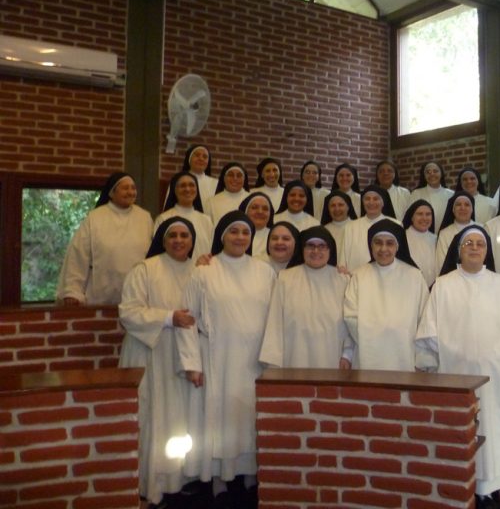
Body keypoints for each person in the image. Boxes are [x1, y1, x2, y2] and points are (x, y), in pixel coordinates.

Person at [417, 226, 500, 504]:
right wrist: (454, 354)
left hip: (494, 374)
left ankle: (489, 489)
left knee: (491, 430)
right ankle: (461, 485)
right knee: (460, 431)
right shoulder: (443, 284)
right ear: (458, 249)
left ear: (487, 251)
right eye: (467, 242)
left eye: (479, 243)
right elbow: (429, 331)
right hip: (455, 374)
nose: (473, 247)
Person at [176, 211, 275, 507]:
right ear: (222, 235)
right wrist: (191, 362)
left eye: (245, 232)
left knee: (249, 417)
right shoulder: (204, 270)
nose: (240, 237)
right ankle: (218, 479)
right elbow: (188, 318)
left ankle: (249, 477)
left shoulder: (264, 270)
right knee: (218, 419)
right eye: (233, 231)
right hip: (215, 356)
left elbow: (274, 317)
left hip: (254, 359)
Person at [118, 216, 197, 506]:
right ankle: (150, 483)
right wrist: (168, 317)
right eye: (172, 235)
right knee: (153, 416)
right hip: (149, 353)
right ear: (162, 241)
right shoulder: (145, 269)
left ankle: (181, 478)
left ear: (192, 240)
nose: (178, 240)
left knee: (181, 417)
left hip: (184, 355)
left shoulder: (199, 270)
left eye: (184, 235)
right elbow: (128, 312)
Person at [341, 219, 429, 371]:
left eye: (389, 243)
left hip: (404, 354)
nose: (383, 248)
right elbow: (350, 316)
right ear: (371, 246)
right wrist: (379, 335)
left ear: (397, 247)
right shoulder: (359, 276)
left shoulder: (414, 276)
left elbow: (425, 318)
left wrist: (422, 358)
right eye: (378, 243)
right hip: (367, 354)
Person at [260, 226, 350, 369]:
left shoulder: (342, 280)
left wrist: (347, 354)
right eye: (310, 246)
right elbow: (275, 323)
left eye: (322, 246)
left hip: (331, 359)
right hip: (294, 358)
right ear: (302, 249)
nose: (316, 251)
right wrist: (273, 362)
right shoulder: (285, 278)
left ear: (330, 250)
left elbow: (348, 322)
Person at [57, 172, 153, 305]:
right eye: (125, 188)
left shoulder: (145, 218)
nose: (130, 192)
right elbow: (78, 256)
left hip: (138, 297)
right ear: (112, 192)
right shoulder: (95, 218)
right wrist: (73, 290)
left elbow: (154, 257)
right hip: (102, 298)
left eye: (133, 188)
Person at [339, 185, 398, 273]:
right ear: (363, 203)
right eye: (367, 199)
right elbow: (343, 257)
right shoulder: (351, 226)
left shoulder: (396, 225)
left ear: (383, 202)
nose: (371, 202)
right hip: (355, 277)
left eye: (375, 199)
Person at [155, 171, 213, 262]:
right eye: (182, 186)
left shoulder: (206, 220)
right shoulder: (163, 219)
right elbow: (158, 251)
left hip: (201, 273)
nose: (187, 189)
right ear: (174, 190)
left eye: (191, 185)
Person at [435, 191, 477, 272]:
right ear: (453, 210)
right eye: (458, 205)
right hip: (452, 279)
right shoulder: (445, 233)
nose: (462, 208)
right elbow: (441, 263)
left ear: (472, 209)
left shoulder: (482, 229)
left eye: (467, 205)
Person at [409, 161, 454, 230]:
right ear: (424, 176)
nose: (432, 174)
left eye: (435, 171)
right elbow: (410, 216)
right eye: (428, 172)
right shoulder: (416, 194)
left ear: (441, 174)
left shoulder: (451, 194)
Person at [402, 199, 437, 288]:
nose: (424, 218)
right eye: (420, 214)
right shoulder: (402, 238)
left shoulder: (436, 239)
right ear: (412, 217)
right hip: (409, 287)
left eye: (428, 214)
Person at [206, 162, 250, 227]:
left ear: (244, 179)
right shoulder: (211, 202)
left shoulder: (252, 199)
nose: (235, 178)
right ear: (224, 178)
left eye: (239, 175)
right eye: (231, 175)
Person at [181, 144, 218, 211]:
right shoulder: (179, 181)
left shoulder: (216, 183)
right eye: (197, 155)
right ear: (189, 158)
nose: (201, 159)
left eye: (205, 157)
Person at [321, 189, 358, 254]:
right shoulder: (323, 231)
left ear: (348, 207)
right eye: (333, 205)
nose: (337, 209)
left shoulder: (358, 228)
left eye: (340, 205)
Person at [238, 192, 274, 259]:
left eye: (265, 209)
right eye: (254, 207)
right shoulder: (234, 235)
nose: (260, 212)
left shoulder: (276, 237)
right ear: (245, 211)